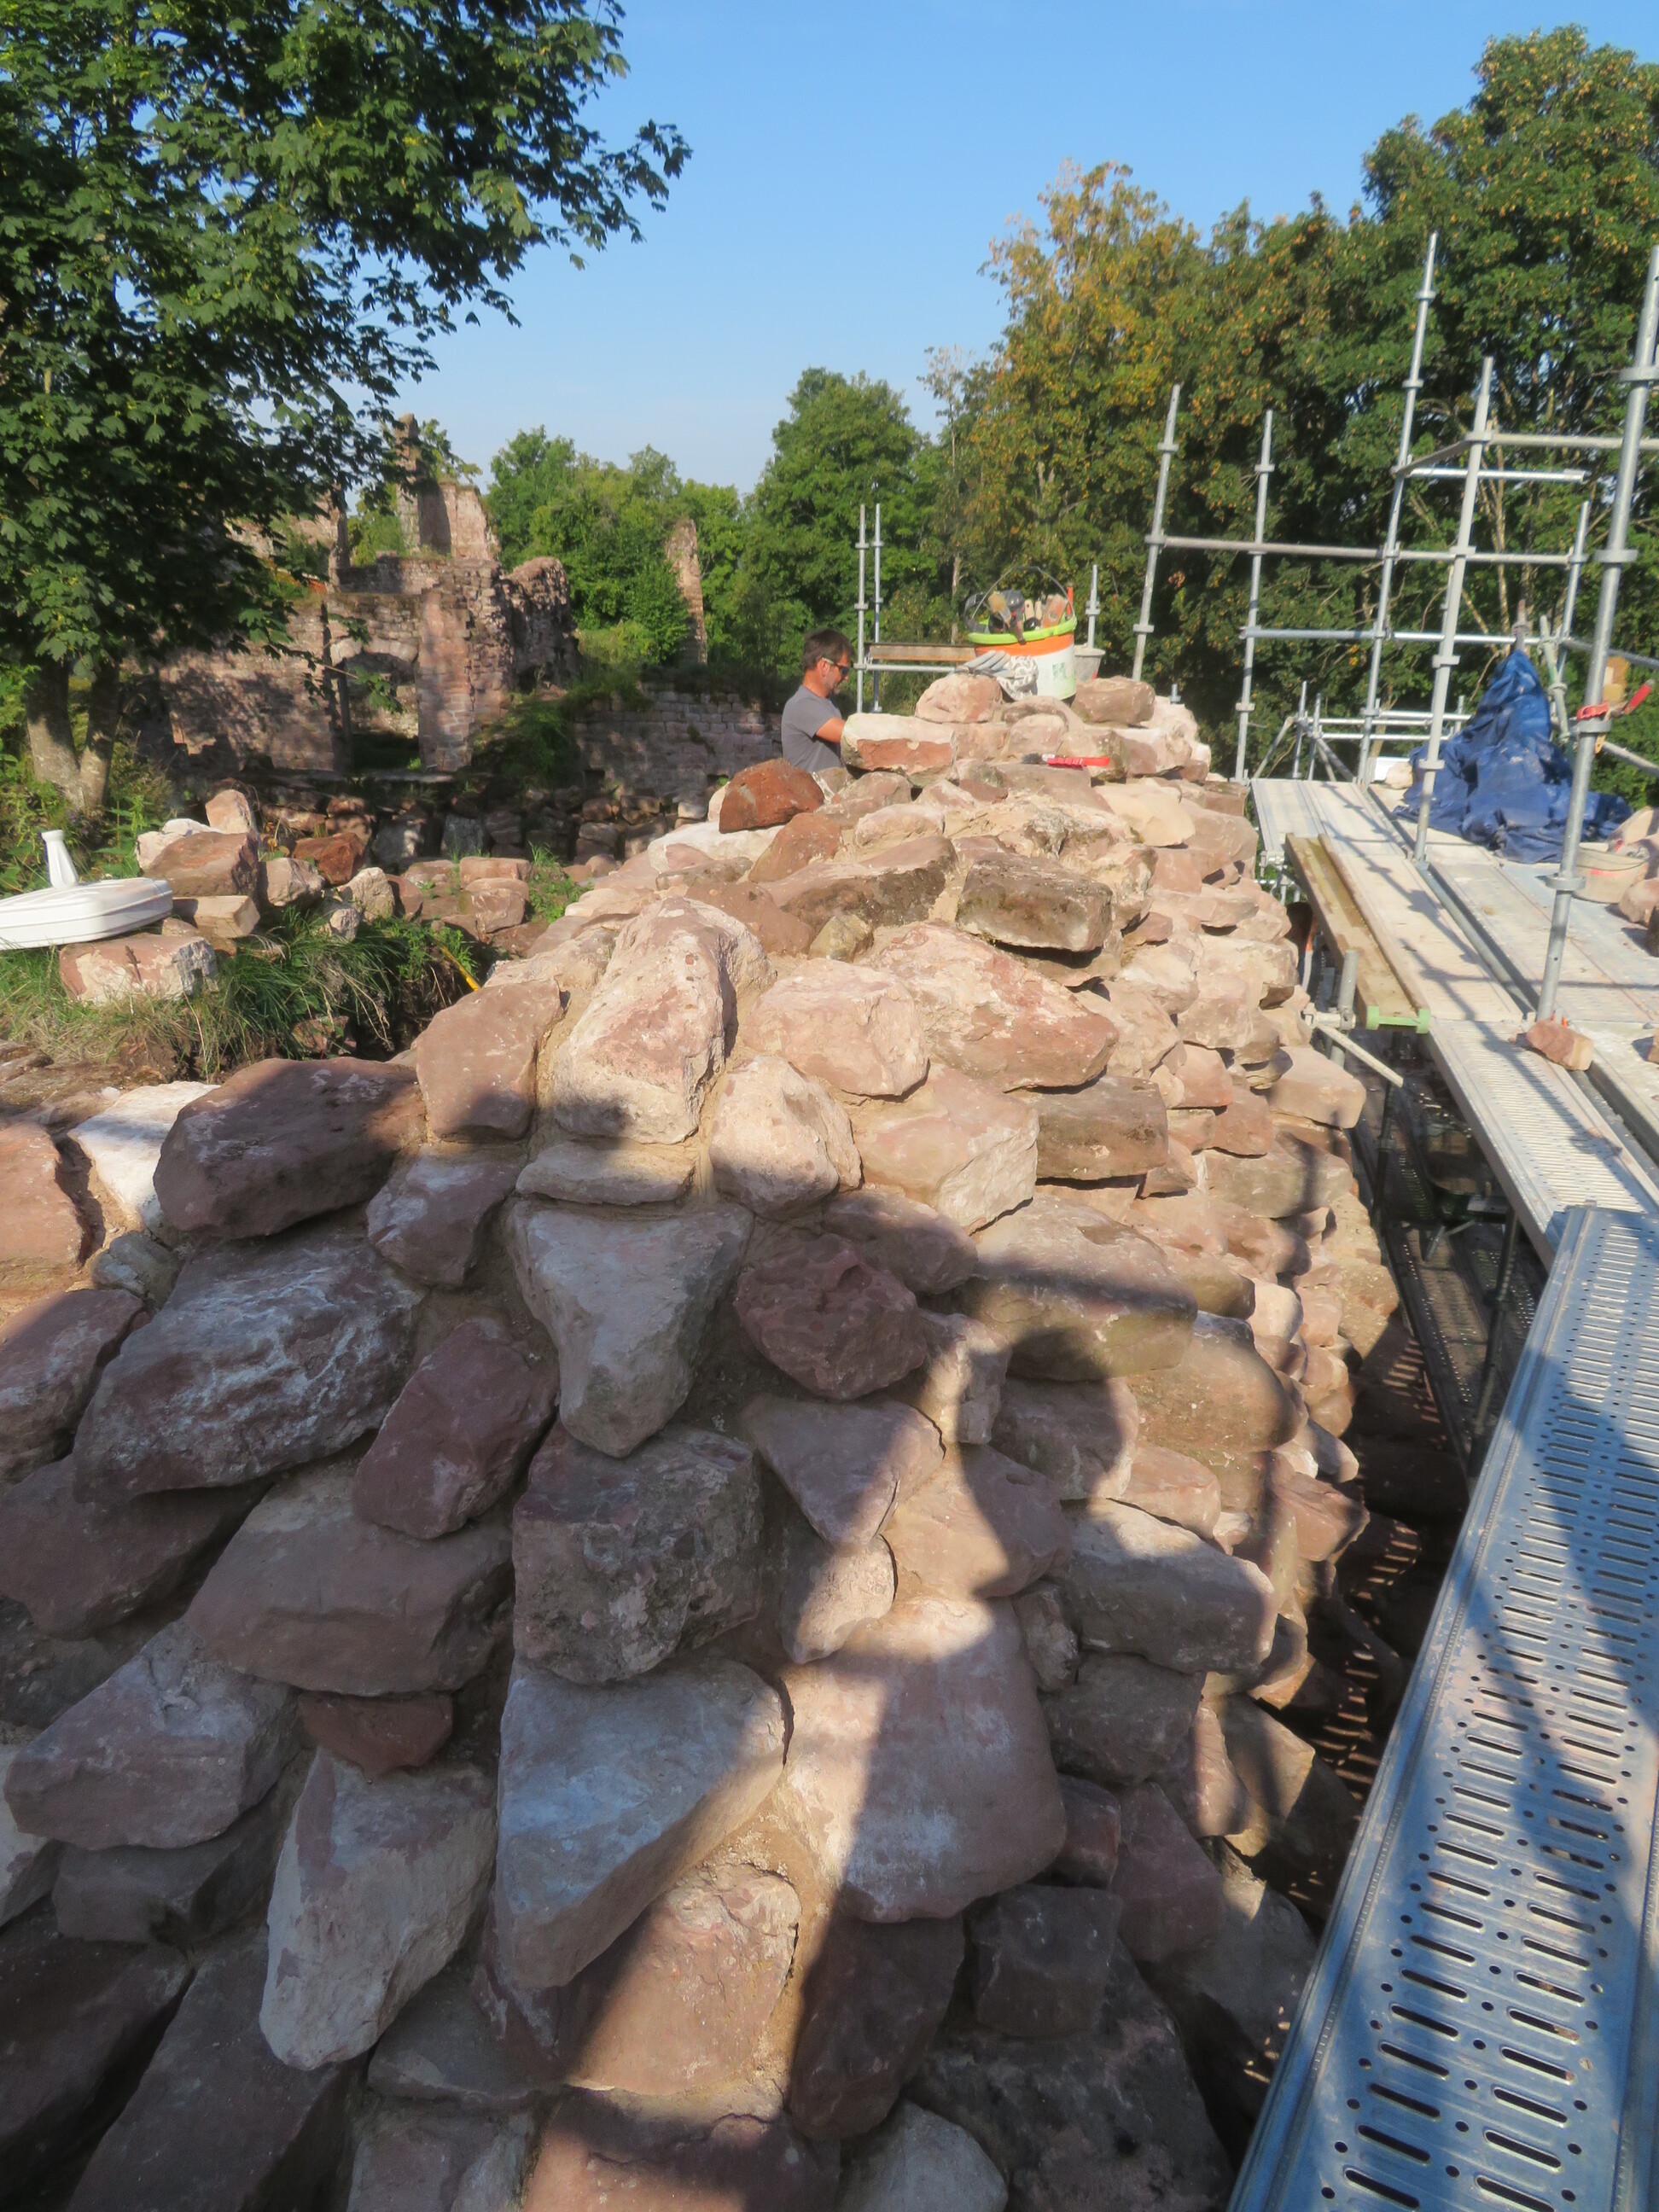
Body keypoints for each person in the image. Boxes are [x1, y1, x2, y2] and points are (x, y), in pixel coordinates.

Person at [781, 628, 853, 773]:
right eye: (843, 671)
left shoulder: (828, 703)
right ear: (824, 666)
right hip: (808, 789)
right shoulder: (802, 705)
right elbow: (850, 734)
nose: (846, 678)